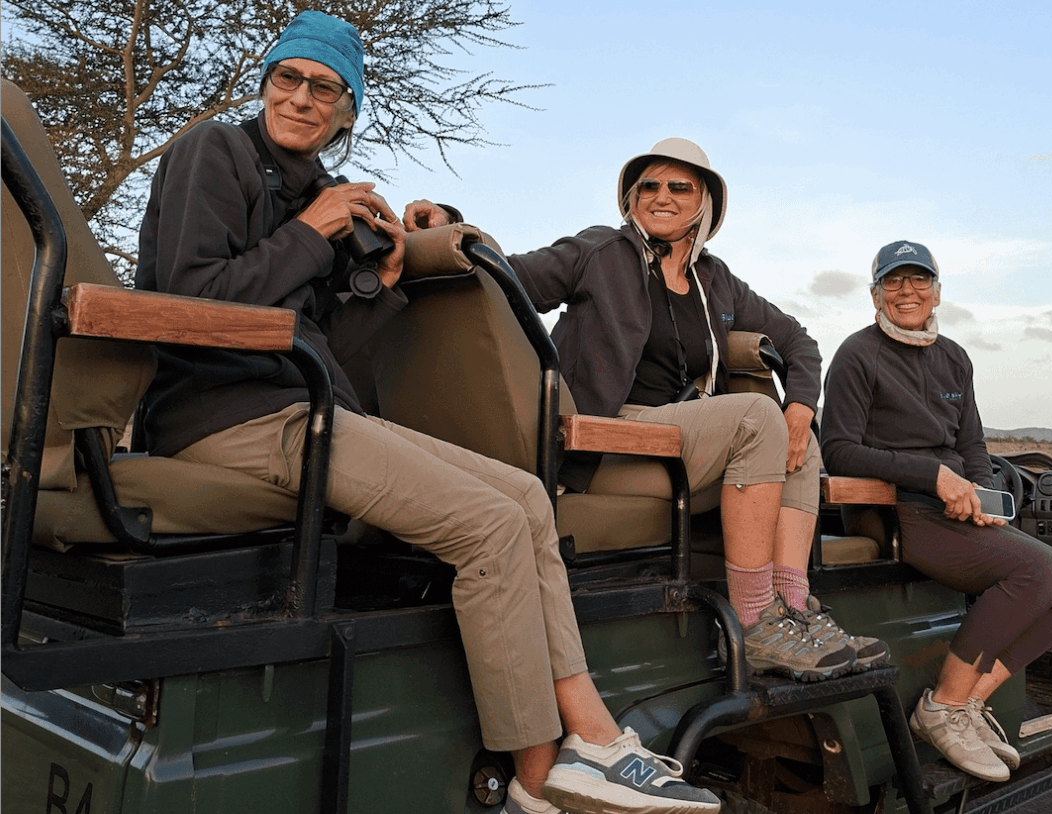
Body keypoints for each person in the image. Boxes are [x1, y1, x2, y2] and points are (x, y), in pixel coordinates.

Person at [134, 12, 719, 814]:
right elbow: (188, 301)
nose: (302, 99)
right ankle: (539, 779)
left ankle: (592, 736)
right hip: (223, 418)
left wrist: (398, 254)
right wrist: (315, 232)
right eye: (288, 79)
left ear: (348, 111)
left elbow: (342, 329)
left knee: (521, 496)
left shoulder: (316, 193)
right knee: (488, 525)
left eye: (326, 89)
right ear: (265, 83)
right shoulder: (217, 151)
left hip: (306, 409)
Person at [508, 139, 887, 681]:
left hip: (683, 443)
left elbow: (798, 339)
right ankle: (756, 626)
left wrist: (802, 405)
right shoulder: (600, 253)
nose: (661, 196)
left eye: (678, 187)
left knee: (796, 442)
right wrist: (455, 230)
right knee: (758, 419)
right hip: (613, 441)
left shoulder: (717, 280)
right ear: (631, 199)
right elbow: (508, 275)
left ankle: (793, 611)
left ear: (704, 203)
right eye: (649, 187)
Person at [820, 240, 1052, 782]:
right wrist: (933, 478)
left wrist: (985, 495)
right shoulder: (858, 353)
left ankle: (970, 700)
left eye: (919, 281)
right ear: (874, 294)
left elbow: (972, 444)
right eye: (894, 282)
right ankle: (940, 707)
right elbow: (838, 449)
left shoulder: (955, 358)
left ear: (937, 292)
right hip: (897, 511)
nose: (907, 292)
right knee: (1035, 570)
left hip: (951, 508)